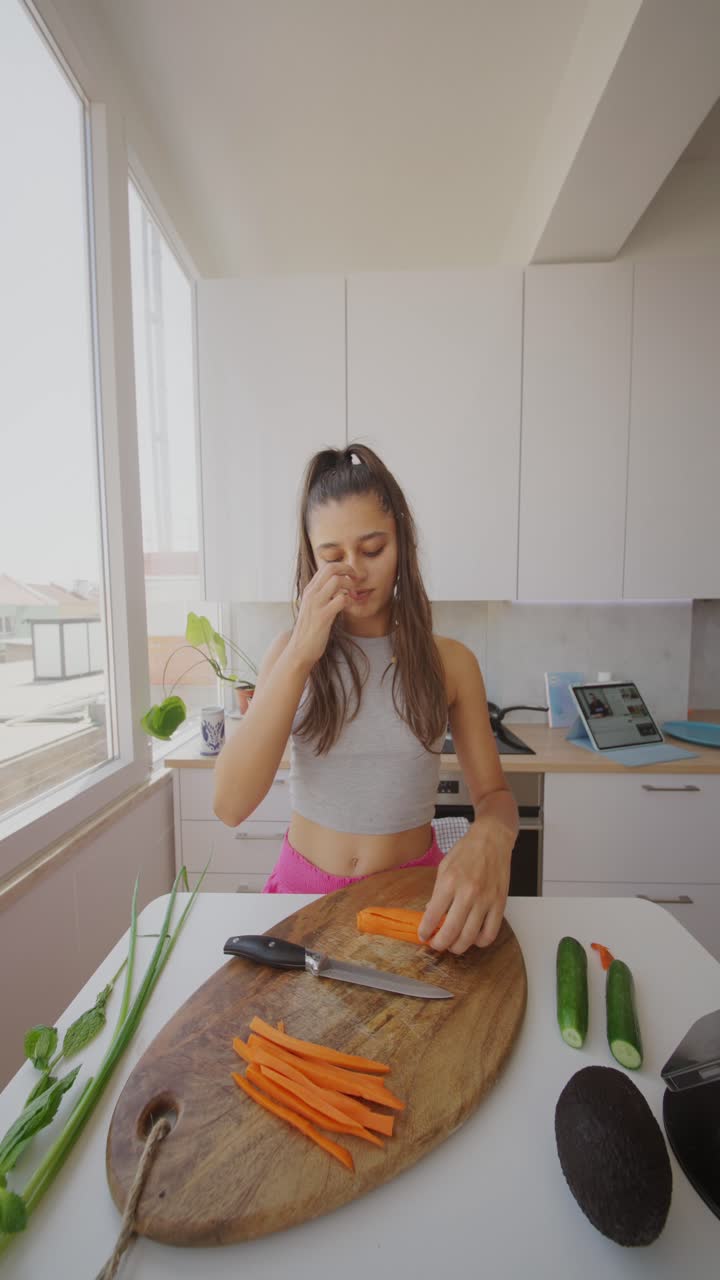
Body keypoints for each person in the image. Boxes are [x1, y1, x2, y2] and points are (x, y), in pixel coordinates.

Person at [214, 443, 518, 955]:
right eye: (332, 557)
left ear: (402, 544)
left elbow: (496, 799)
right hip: (299, 897)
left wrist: (491, 836)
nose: (353, 571)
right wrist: (299, 658)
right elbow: (230, 805)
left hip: (409, 903)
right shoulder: (289, 654)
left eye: (373, 549)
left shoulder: (452, 663)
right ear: (311, 559)